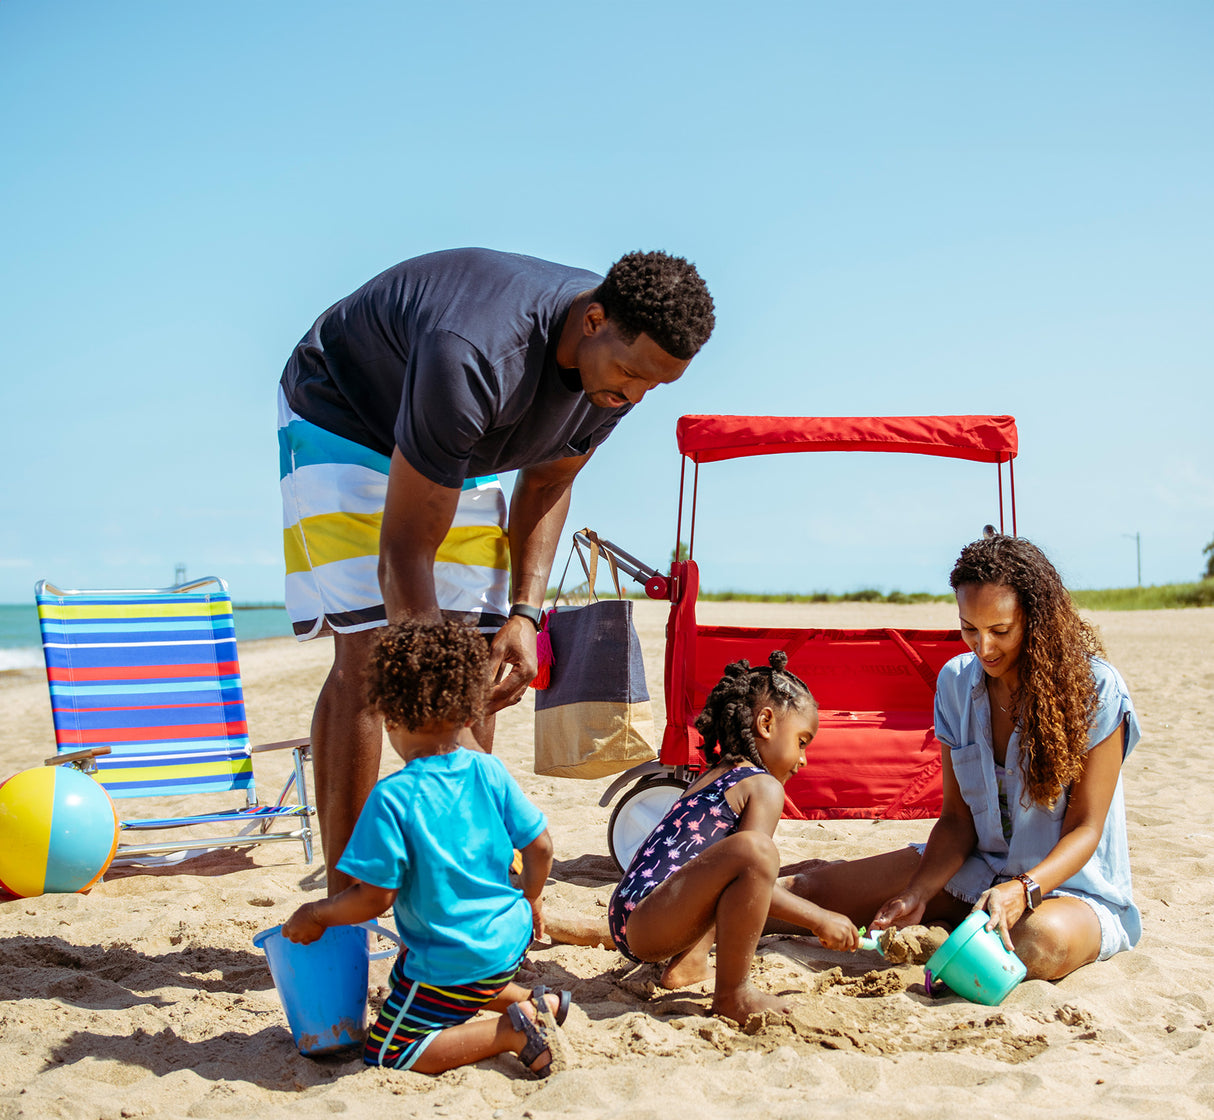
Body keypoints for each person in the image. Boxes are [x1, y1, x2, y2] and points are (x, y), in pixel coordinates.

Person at [277, 247, 715, 891]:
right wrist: (429, 707)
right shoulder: (475, 355)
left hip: (459, 438)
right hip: (344, 412)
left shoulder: (615, 377)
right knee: (375, 653)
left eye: (656, 384)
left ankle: (461, 880)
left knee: (482, 650)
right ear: (592, 320)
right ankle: (351, 894)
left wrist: (523, 613)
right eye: (631, 374)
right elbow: (403, 552)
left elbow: (548, 481)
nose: (636, 396)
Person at [782, 534, 1141, 982]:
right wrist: (917, 894)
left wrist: (1022, 889)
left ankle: (960, 932)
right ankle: (691, 905)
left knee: (1035, 943)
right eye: (969, 628)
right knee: (810, 892)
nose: (983, 647)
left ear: (1037, 619)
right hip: (976, 869)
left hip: (1068, 892)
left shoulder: (1097, 689)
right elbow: (956, 821)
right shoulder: (955, 682)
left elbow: (1087, 828)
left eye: (1001, 631)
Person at [281, 618, 569, 1077]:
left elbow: (374, 898)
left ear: (389, 718)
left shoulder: (392, 797)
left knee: (389, 1050)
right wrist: (530, 899)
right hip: (509, 939)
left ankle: (515, 1031)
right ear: (469, 711)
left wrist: (317, 913)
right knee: (406, 977)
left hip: (457, 954)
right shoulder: (487, 771)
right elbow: (541, 847)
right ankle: (539, 1000)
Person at [604, 652, 860, 1025]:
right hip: (650, 922)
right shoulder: (763, 787)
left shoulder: (718, 774)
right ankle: (733, 994)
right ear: (767, 723)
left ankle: (690, 964)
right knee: (755, 853)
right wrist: (819, 919)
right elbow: (756, 878)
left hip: (633, 913)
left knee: (729, 861)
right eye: (802, 741)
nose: (803, 759)